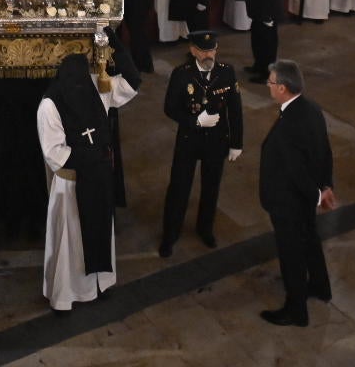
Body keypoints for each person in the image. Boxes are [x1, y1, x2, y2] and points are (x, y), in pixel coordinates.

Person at [38, 51, 139, 312]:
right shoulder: (50, 104)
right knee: (71, 243)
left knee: (100, 230)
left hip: (99, 180)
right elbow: (54, 153)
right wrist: (95, 156)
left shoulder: (96, 86)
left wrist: (112, 41)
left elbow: (132, 81)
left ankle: (100, 283)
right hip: (71, 185)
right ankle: (65, 296)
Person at [260, 59, 335, 328]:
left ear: (282, 88)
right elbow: (325, 151)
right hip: (304, 198)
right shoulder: (312, 109)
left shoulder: (289, 125)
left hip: (288, 201)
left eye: (271, 82)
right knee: (310, 240)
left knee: (291, 254)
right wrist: (325, 186)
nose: (268, 86)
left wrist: (318, 195)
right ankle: (320, 287)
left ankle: (296, 311)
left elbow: (295, 170)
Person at [158, 31, 243, 257]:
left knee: (211, 187)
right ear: (193, 50)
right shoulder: (181, 74)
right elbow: (170, 108)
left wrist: (236, 143)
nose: (209, 55)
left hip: (216, 140)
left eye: (212, 50)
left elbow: (235, 110)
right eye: (204, 51)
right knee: (179, 188)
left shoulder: (226, 72)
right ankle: (170, 235)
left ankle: (205, 229)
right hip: (189, 139)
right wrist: (194, 121)